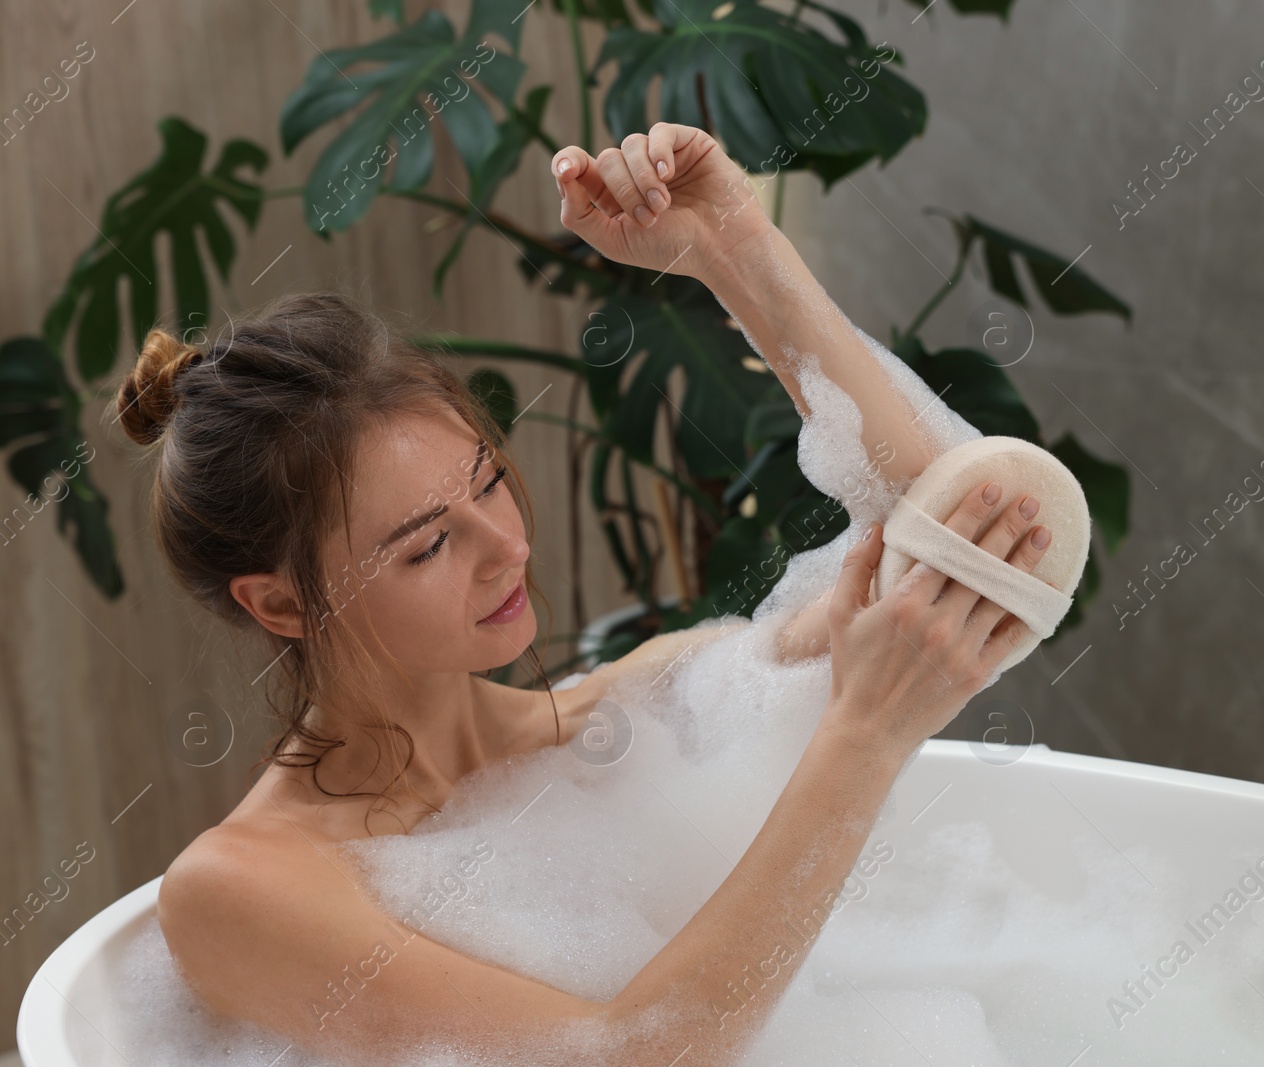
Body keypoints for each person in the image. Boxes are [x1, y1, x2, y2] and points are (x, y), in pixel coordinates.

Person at [133, 121, 1056, 1066]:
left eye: (489, 480)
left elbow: (973, 553)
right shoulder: (239, 889)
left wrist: (736, 247)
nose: (506, 548)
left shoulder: (628, 718)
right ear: (280, 605)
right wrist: (863, 740)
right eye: (428, 545)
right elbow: (628, 1057)